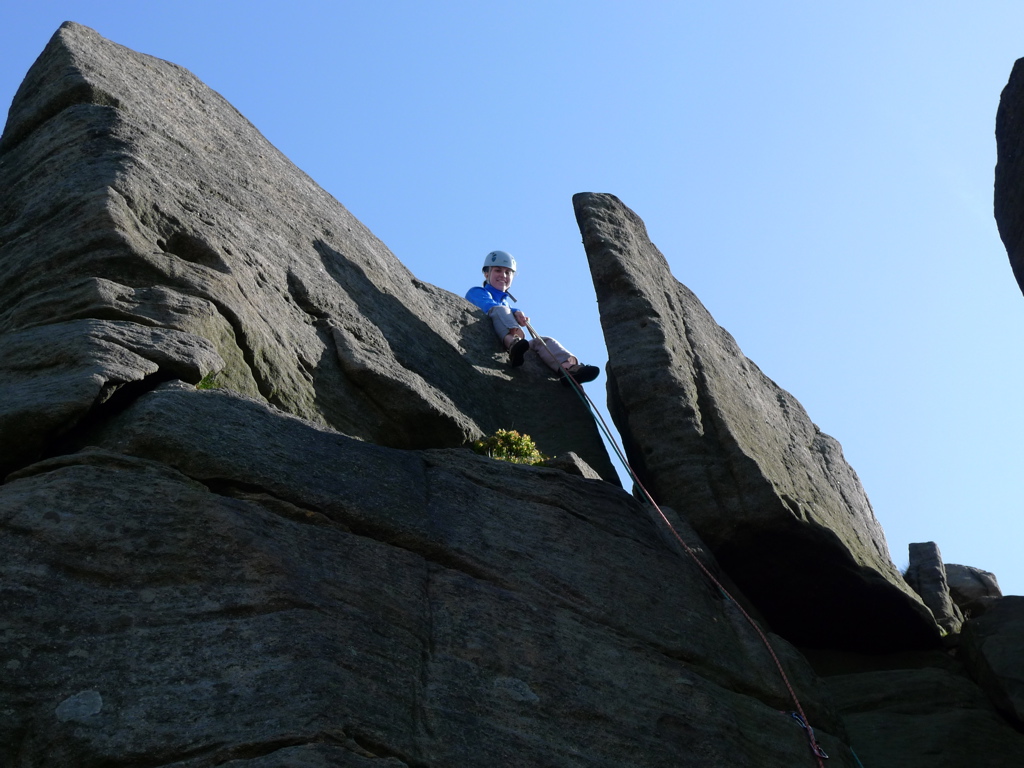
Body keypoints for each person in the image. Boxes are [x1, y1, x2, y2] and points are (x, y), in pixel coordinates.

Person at [466, 250, 600, 384]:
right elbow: (488, 306)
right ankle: (512, 343)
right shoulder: (477, 292)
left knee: (543, 341)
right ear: (486, 274)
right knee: (501, 310)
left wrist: (516, 312)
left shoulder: (505, 303)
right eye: (498, 270)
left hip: (518, 341)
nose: (503, 275)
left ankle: (568, 369)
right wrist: (514, 311)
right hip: (506, 339)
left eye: (508, 272)